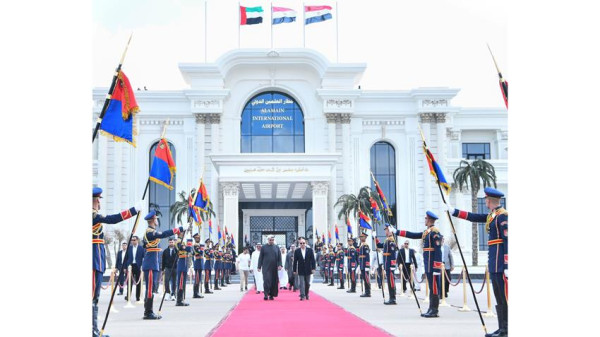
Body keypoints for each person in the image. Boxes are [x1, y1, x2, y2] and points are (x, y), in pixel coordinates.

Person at [449, 187, 508, 337]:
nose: (485, 202)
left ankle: (506, 329)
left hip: (501, 264)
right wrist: (454, 211)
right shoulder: (492, 216)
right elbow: (474, 217)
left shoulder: (503, 216)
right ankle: (503, 329)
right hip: (495, 264)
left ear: (490, 200)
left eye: (486, 199)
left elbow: (507, 240)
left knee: (504, 297)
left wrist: (507, 265)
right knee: (499, 296)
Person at [92, 186, 140, 337]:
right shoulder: (92, 216)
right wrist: (133, 210)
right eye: (98, 199)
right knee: (92, 297)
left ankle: (93, 330)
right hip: (92, 262)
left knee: (95, 297)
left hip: (97, 261)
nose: (99, 203)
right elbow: (112, 219)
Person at [394, 211, 443, 317]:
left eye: (426, 218)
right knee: (431, 287)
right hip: (428, 265)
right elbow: (413, 235)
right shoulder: (427, 232)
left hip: (433, 266)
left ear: (429, 220)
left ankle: (435, 310)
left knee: (434, 288)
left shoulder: (435, 233)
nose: (425, 220)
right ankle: (431, 308)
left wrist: (436, 268)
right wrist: (397, 232)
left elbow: (438, 251)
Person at [140, 211, 183, 319]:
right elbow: (163, 234)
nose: (157, 220)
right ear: (153, 220)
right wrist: (177, 229)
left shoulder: (152, 232)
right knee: (150, 289)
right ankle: (148, 312)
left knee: (152, 288)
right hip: (150, 264)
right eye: (156, 219)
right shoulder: (150, 232)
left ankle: (149, 310)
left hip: (153, 264)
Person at [376, 225, 398, 305]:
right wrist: (375, 238)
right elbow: (380, 245)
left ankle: (393, 299)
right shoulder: (387, 240)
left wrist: (392, 265)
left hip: (390, 265)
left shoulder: (391, 241)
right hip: (387, 264)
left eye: (386, 230)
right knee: (389, 281)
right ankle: (391, 297)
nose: (385, 231)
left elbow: (393, 254)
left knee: (391, 281)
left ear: (389, 231)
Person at [257, 235, 282, 300]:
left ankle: (271, 295)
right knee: (267, 280)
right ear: (268, 240)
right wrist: (259, 266)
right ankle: (266, 294)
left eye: (272, 240)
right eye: (270, 240)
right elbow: (261, 258)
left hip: (274, 267)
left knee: (273, 281)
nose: (271, 241)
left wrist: (280, 265)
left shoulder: (276, 247)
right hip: (266, 267)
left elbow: (279, 257)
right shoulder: (264, 247)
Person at [125, 236, 144, 302]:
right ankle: (128, 296)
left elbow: (144, 258)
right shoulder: (129, 248)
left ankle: (137, 297)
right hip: (130, 266)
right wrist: (125, 267)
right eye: (132, 240)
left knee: (138, 282)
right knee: (129, 282)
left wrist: (143, 266)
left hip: (138, 266)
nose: (133, 241)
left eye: (134, 240)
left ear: (137, 240)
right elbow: (126, 258)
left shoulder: (141, 248)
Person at [175, 234, 193, 306]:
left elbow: (189, 249)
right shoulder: (179, 241)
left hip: (184, 262)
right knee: (181, 282)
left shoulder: (182, 241)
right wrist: (189, 245)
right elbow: (187, 249)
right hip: (182, 262)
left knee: (183, 282)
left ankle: (181, 299)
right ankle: (179, 300)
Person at [358, 230, 371, 297]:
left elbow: (367, 256)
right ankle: (366, 291)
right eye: (360, 237)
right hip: (362, 264)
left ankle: (368, 292)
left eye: (362, 237)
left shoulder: (365, 246)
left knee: (366, 278)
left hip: (365, 264)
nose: (361, 238)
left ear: (365, 238)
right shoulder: (361, 245)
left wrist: (367, 266)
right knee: (364, 278)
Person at [192, 233, 204, 299]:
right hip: (197, 263)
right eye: (197, 238)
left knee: (198, 279)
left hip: (200, 263)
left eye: (199, 238)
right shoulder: (195, 246)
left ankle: (197, 292)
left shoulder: (199, 245)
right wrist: (201, 248)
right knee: (197, 279)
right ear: (195, 239)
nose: (198, 239)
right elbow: (200, 252)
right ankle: (195, 293)